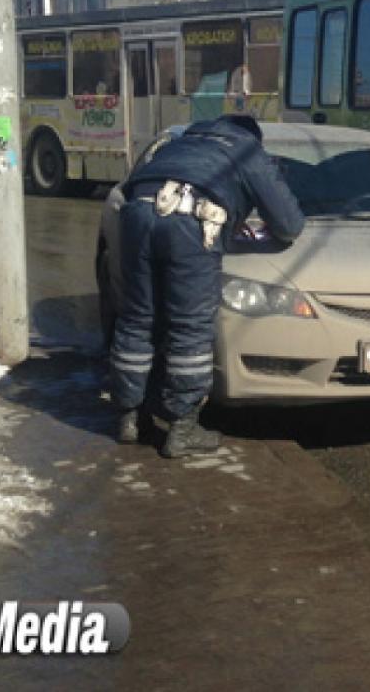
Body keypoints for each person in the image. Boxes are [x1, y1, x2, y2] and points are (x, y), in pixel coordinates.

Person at [109, 114, 304, 458]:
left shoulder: (178, 143)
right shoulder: (248, 150)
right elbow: (288, 224)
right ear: (253, 136)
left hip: (136, 216)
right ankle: (182, 427)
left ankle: (130, 418)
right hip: (191, 224)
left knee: (137, 319)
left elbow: (130, 188)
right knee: (190, 327)